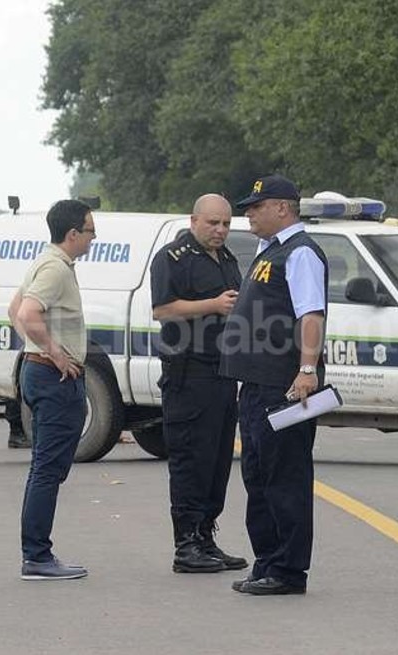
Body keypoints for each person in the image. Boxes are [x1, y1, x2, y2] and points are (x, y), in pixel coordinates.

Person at [219, 174, 327, 596]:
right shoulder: (272, 251)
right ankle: (267, 562)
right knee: (258, 476)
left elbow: (311, 315)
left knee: (285, 478)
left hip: (284, 387)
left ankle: (288, 571)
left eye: (256, 207)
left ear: (282, 208)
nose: (248, 214)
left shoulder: (300, 254)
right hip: (257, 385)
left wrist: (306, 369)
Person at [150, 193, 247, 574]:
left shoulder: (226, 259)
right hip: (188, 373)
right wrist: (211, 305)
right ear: (194, 220)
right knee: (191, 460)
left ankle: (207, 536)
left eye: (225, 223)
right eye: (213, 223)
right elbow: (162, 310)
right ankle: (186, 544)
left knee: (218, 460)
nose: (221, 230)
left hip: (222, 372)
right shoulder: (172, 259)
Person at [7, 199, 96, 581]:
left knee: (44, 468)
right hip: (52, 377)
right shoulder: (55, 268)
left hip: (39, 372)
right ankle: (37, 556)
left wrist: (36, 349)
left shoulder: (46, 263)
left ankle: (36, 553)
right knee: (47, 469)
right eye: (90, 231)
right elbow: (26, 314)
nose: (93, 239)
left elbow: (14, 310)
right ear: (73, 233)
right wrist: (56, 353)